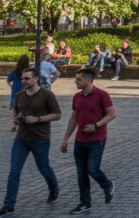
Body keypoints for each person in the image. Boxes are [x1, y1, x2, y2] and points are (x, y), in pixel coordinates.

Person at [1, 68, 61, 215]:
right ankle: (9, 205)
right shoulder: (19, 95)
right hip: (21, 139)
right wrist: (16, 118)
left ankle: (54, 189)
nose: (23, 81)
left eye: (27, 78)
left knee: (44, 168)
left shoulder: (47, 94)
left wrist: (38, 119)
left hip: (40, 139)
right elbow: (16, 110)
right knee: (14, 171)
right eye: (22, 78)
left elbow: (57, 115)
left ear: (36, 79)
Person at [60, 68, 115, 215]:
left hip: (97, 139)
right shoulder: (77, 97)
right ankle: (85, 203)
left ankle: (107, 184)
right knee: (81, 174)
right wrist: (66, 139)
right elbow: (74, 118)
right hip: (80, 140)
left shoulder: (102, 95)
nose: (75, 81)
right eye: (76, 79)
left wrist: (96, 125)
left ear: (88, 80)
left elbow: (112, 114)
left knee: (92, 169)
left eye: (79, 79)